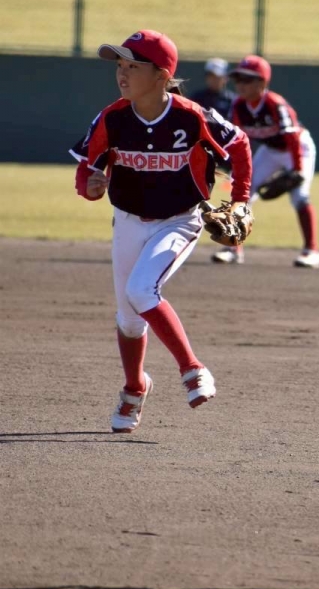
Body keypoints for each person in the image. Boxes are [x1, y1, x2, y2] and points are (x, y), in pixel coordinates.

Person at [69, 29, 252, 434]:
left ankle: (193, 369)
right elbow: (87, 168)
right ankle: (135, 387)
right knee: (128, 319)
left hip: (178, 220)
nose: (122, 73)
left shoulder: (192, 115)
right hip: (128, 221)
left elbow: (239, 145)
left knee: (141, 290)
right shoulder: (112, 118)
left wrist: (241, 199)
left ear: (161, 75)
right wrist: (90, 187)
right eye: (120, 65)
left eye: (133, 66)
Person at [211, 54, 319, 269]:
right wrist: (235, 168)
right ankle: (233, 248)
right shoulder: (238, 106)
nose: (240, 84)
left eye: (247, 79)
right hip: (270, 151)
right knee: (242, 193)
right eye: (238, 79)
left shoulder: (275, 104)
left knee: (299, 196)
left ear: (262, 82)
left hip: (298, 148)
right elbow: (236, 141)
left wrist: (297, 170)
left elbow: (292, 137)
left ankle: (312, 251)